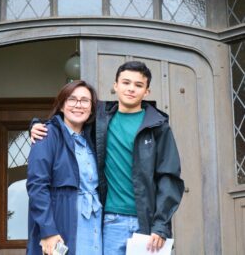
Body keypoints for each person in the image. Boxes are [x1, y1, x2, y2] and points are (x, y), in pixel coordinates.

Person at [30, 61, 184, 254]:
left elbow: (169, 179)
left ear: (147, 92)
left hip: (147, 224)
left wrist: (161, 225)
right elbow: (69, 119)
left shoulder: (158, 127)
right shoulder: (100, 120)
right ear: (115, 86)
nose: (131, 89)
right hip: (111, 222)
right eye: (126, 82)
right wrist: (37, 125)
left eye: (138, 85)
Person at [26, 80, 102, 255]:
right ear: (61, 106)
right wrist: (48, 230)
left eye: (85, 100)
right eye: (72, 99)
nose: (78, 105)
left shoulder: (92, 139)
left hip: (95, 224)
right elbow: (37, 186)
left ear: (91, 108)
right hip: (64, 223)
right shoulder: (46, 134)